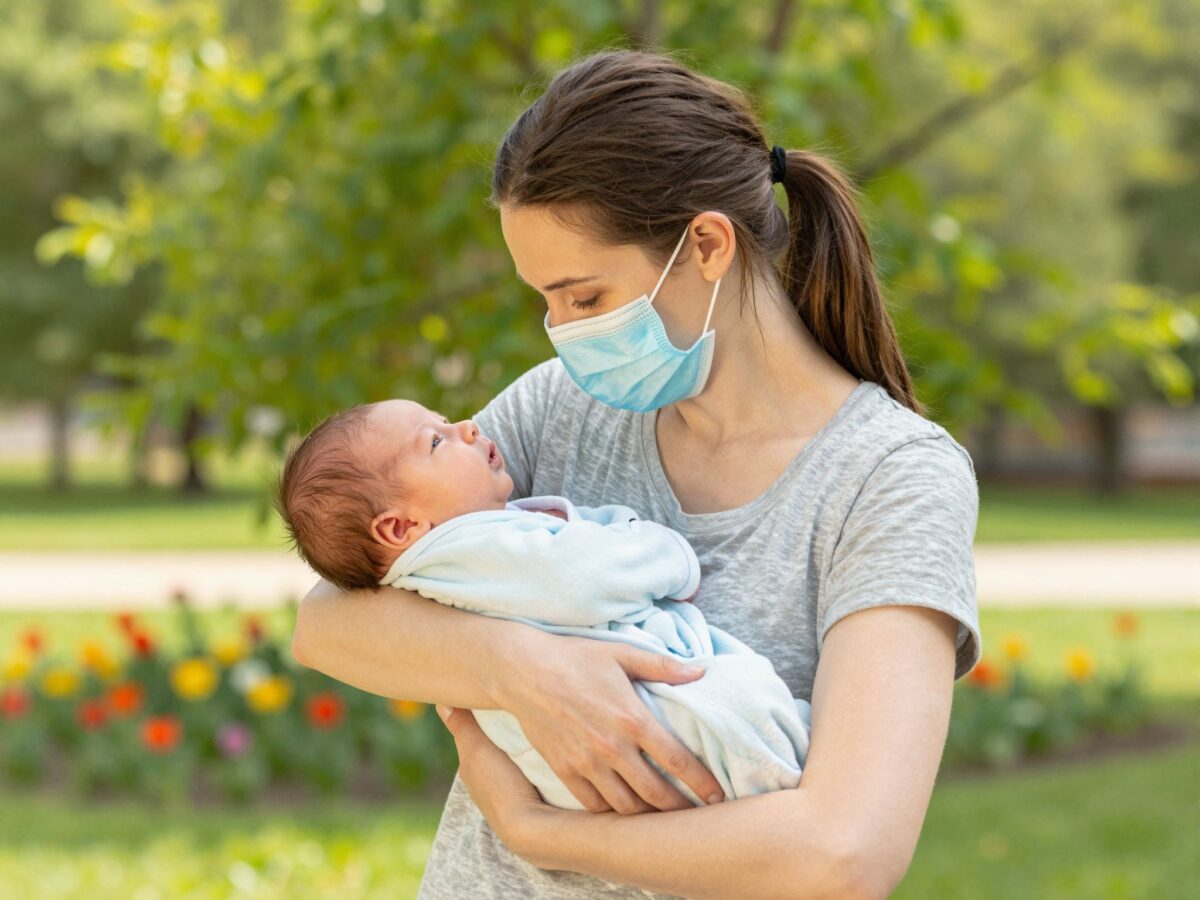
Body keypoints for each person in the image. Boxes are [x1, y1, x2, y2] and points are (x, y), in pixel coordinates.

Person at [291, 48, 982, 899]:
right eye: (544, 300)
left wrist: (543, 833)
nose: (561, 332)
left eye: (584, 298)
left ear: (706, 244)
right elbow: (326, 622)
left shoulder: (891, 479)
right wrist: (522, 670)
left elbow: (845, 854)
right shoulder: (563, 408)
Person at [274, 396, 812, 811]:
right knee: (746, 704)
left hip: (587, 765)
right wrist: (666, 553)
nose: (468, 428)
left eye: (448, 423)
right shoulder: (470, 550)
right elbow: (578, 579)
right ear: (400, 526)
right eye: (436, 442)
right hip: (652, 726)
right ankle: (785, 770)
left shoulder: (448, 550)